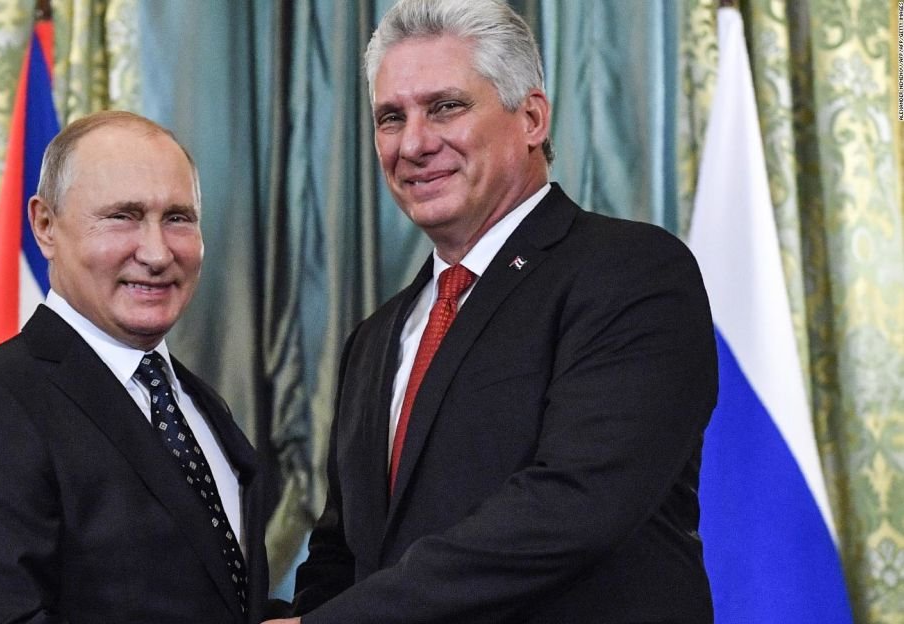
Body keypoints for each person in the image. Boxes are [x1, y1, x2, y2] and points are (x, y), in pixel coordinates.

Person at [267, 1, 718, 622]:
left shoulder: (632, 273)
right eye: (391, 117)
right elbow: (343, 556)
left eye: (445, 107)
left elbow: (573, 507)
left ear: (531, 118)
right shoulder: (374, 339)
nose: (414, 143)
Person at [0, 110, 269, 623]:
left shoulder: (202, 404)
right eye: (123, 216)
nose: (156, 253)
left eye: (178, 218)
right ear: (45, 226)